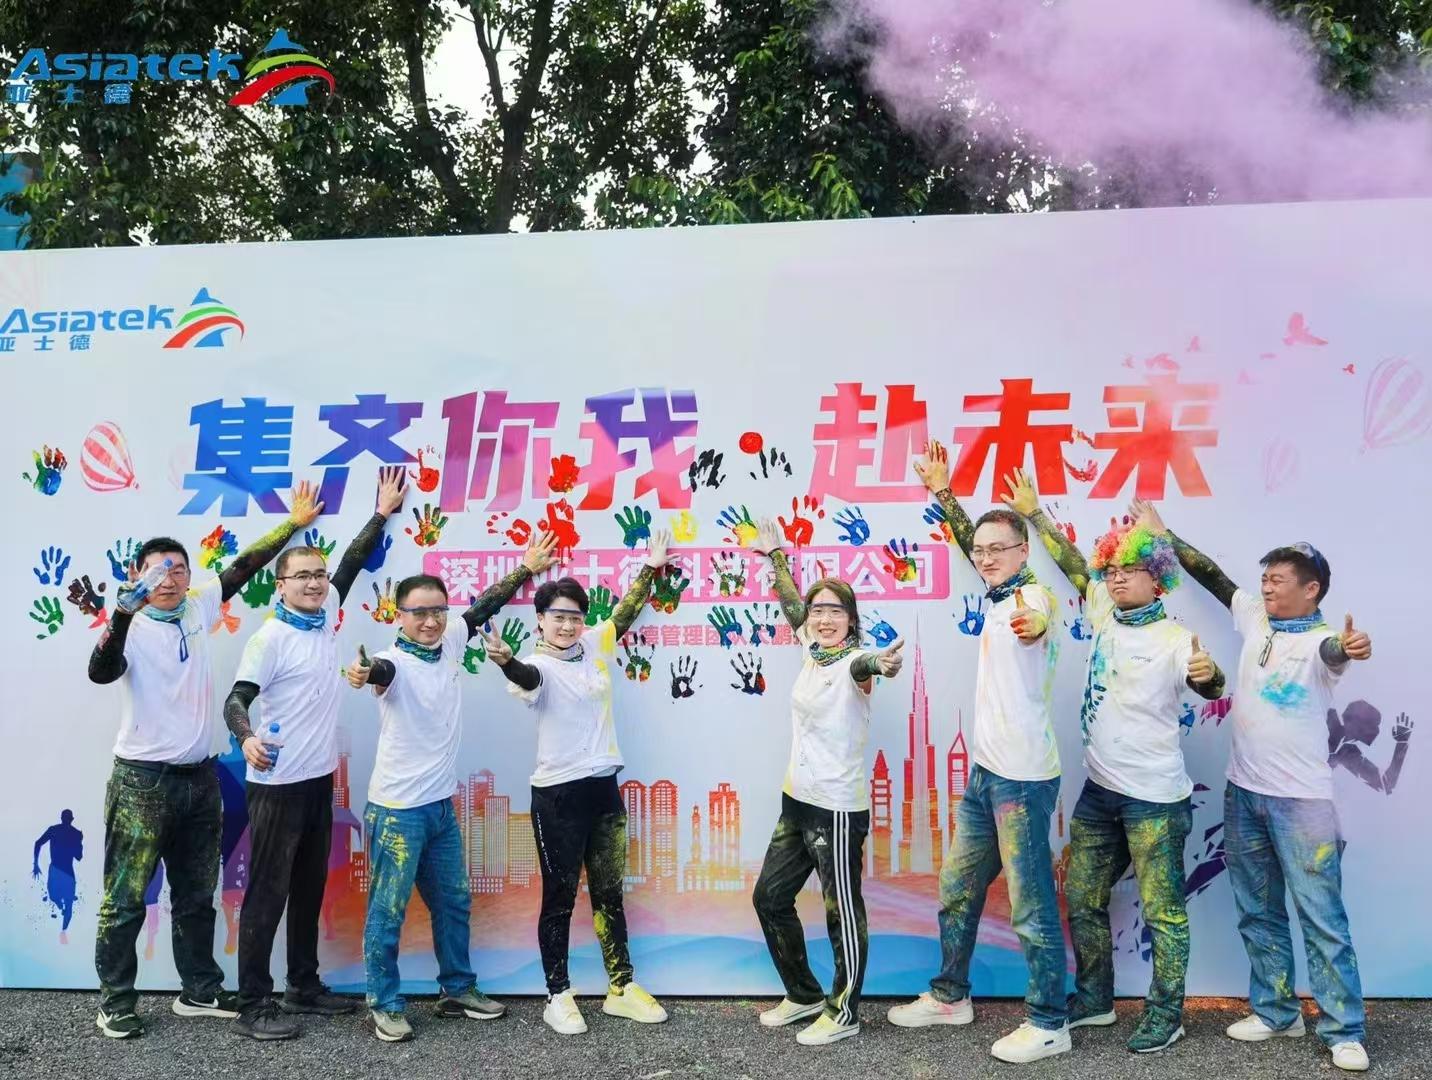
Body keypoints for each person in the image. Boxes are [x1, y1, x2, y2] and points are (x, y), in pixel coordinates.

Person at [86, 479, 324, 1039]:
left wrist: (291, 525)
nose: (168, 580)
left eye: (177, 569)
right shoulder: (128, 626)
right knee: (126, 899)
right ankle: (115, 1001)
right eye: (156, 572)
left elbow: (244, 566)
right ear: (137, 577)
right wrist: (121, 614)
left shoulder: (198, 605)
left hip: (200, 778)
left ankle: (198, 990)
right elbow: (100, 672)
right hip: (142, 781)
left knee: (197, 895)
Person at [1147, 500, 1373, 1073]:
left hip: (1303, 804)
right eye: (1265, 578)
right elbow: (1213, 576)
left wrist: (1349, 647)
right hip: (1243, 793)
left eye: (1278, 580)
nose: (1266, 587)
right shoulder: (1256, 619)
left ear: (1312, 589)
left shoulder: (1322, 642)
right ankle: (1276, 1012)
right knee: (1257, 909)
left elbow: (1335, 652)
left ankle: (1344, 1029)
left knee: (1321, 917)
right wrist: (1165, 536)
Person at [1004, 475, 1225, 1052]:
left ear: (1159, 577)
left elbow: (1209, 680)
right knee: (1082, 898)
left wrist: (1209, 677)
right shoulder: (1103, 608)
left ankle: (1167, 1014)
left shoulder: (1177, 640)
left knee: (1164, 912)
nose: (1117, 577)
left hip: (1156, 800)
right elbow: (1074, 564)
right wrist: (1034, 514)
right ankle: (1096, 1000)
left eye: (1131, 569)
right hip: (1099, 793)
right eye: (1112, 569)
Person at [886, 442, 1070, 1064]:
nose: (986, 557)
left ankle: (1049, 1022)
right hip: (986, 774)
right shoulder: (996, 592)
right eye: (981, 550)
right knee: (958, 889)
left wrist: (1034, 626)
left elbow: (1038, 618)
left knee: (1031, 905)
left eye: (1000, 549)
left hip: (1024, 779)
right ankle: (950, 995)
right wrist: (944, 491)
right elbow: (976, 544)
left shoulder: (1032, 599)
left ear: (1024, 552)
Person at [343, 533, 558, 1043]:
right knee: (388, 910)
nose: (430, 621)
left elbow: (482, 607)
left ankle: (457, 989)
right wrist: (364, 671)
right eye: (418, 612)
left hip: (439, 806)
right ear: (399, 616)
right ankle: (384, 1003)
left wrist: (526, 568)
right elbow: (377, 671)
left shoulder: (451, 639)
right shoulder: (393, 661)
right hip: (397, 811)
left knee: (454, 902)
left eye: (437, 610)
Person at [223, 467, 407, 1041]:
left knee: (308, 888)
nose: (315, 583)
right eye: (302, 575)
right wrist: (245, 737)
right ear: (280, 585)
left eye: (318, 575)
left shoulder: (326, 618)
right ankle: (253, 1003)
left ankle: (302, 985)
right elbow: (236, 699)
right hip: (276, 784)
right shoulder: (269, 638)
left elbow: (350, 563)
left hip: (317, 778)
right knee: (267, 893)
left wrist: (380, 513)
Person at [485, 530, 679, 1036]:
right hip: (558, 797)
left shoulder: (592, 644)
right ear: (540, 620)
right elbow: (527, 678)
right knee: (560, 897)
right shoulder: (538, 666)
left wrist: (652, 566)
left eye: (575, 616)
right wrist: (506, 661)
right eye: (558, 617)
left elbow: (625, 614)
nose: (568, 624)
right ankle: (558, 993)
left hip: (603, 790)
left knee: (610, 894)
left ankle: (621, 987)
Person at [747, 519, 904, 1047]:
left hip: (836, 809)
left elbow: (870, 664)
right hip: (797, 802)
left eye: (836, 611)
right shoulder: (811, 650)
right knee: (769, 897)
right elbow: (793, 605)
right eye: (819, 611)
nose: (824, 619)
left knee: (842, 912)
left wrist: (881, 662)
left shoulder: (854, 664)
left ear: (852, 620)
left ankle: (844, 1011)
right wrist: (776, 555)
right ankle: (804, 994)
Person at [33, 810, 83, 942]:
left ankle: (63, 930)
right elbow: (79, 856)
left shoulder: (61, 831)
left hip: (59, 871)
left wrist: (36, 864)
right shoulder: (67, 832)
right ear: (71, 819)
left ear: (63, 818)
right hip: (63, 872)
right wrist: (35, 864)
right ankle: (62, 916)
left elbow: (78, 856)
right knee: (58, 900)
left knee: (61, 901)